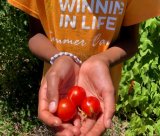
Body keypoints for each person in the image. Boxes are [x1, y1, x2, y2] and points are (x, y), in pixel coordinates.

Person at [7, 0, 160, 135]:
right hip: (59, 90)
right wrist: (58, 58)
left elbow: (130, 41)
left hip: (99, 93)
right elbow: (36, 35)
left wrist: (103, 59)